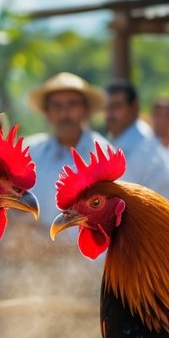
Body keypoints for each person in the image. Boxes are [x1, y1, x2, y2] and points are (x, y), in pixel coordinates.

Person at [24, 72, 111, 224]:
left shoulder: (104, 154)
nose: (64, 113)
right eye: (57, 106)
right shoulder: (31, 153)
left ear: (85, 109)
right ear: (47, 113)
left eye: (72, 104)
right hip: (36, 246)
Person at [103, 80, 169, 201]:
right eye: (107, 108)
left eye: (116, 106)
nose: (110, 114)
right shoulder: (113, 141)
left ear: (134, 107)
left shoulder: (148, 152)